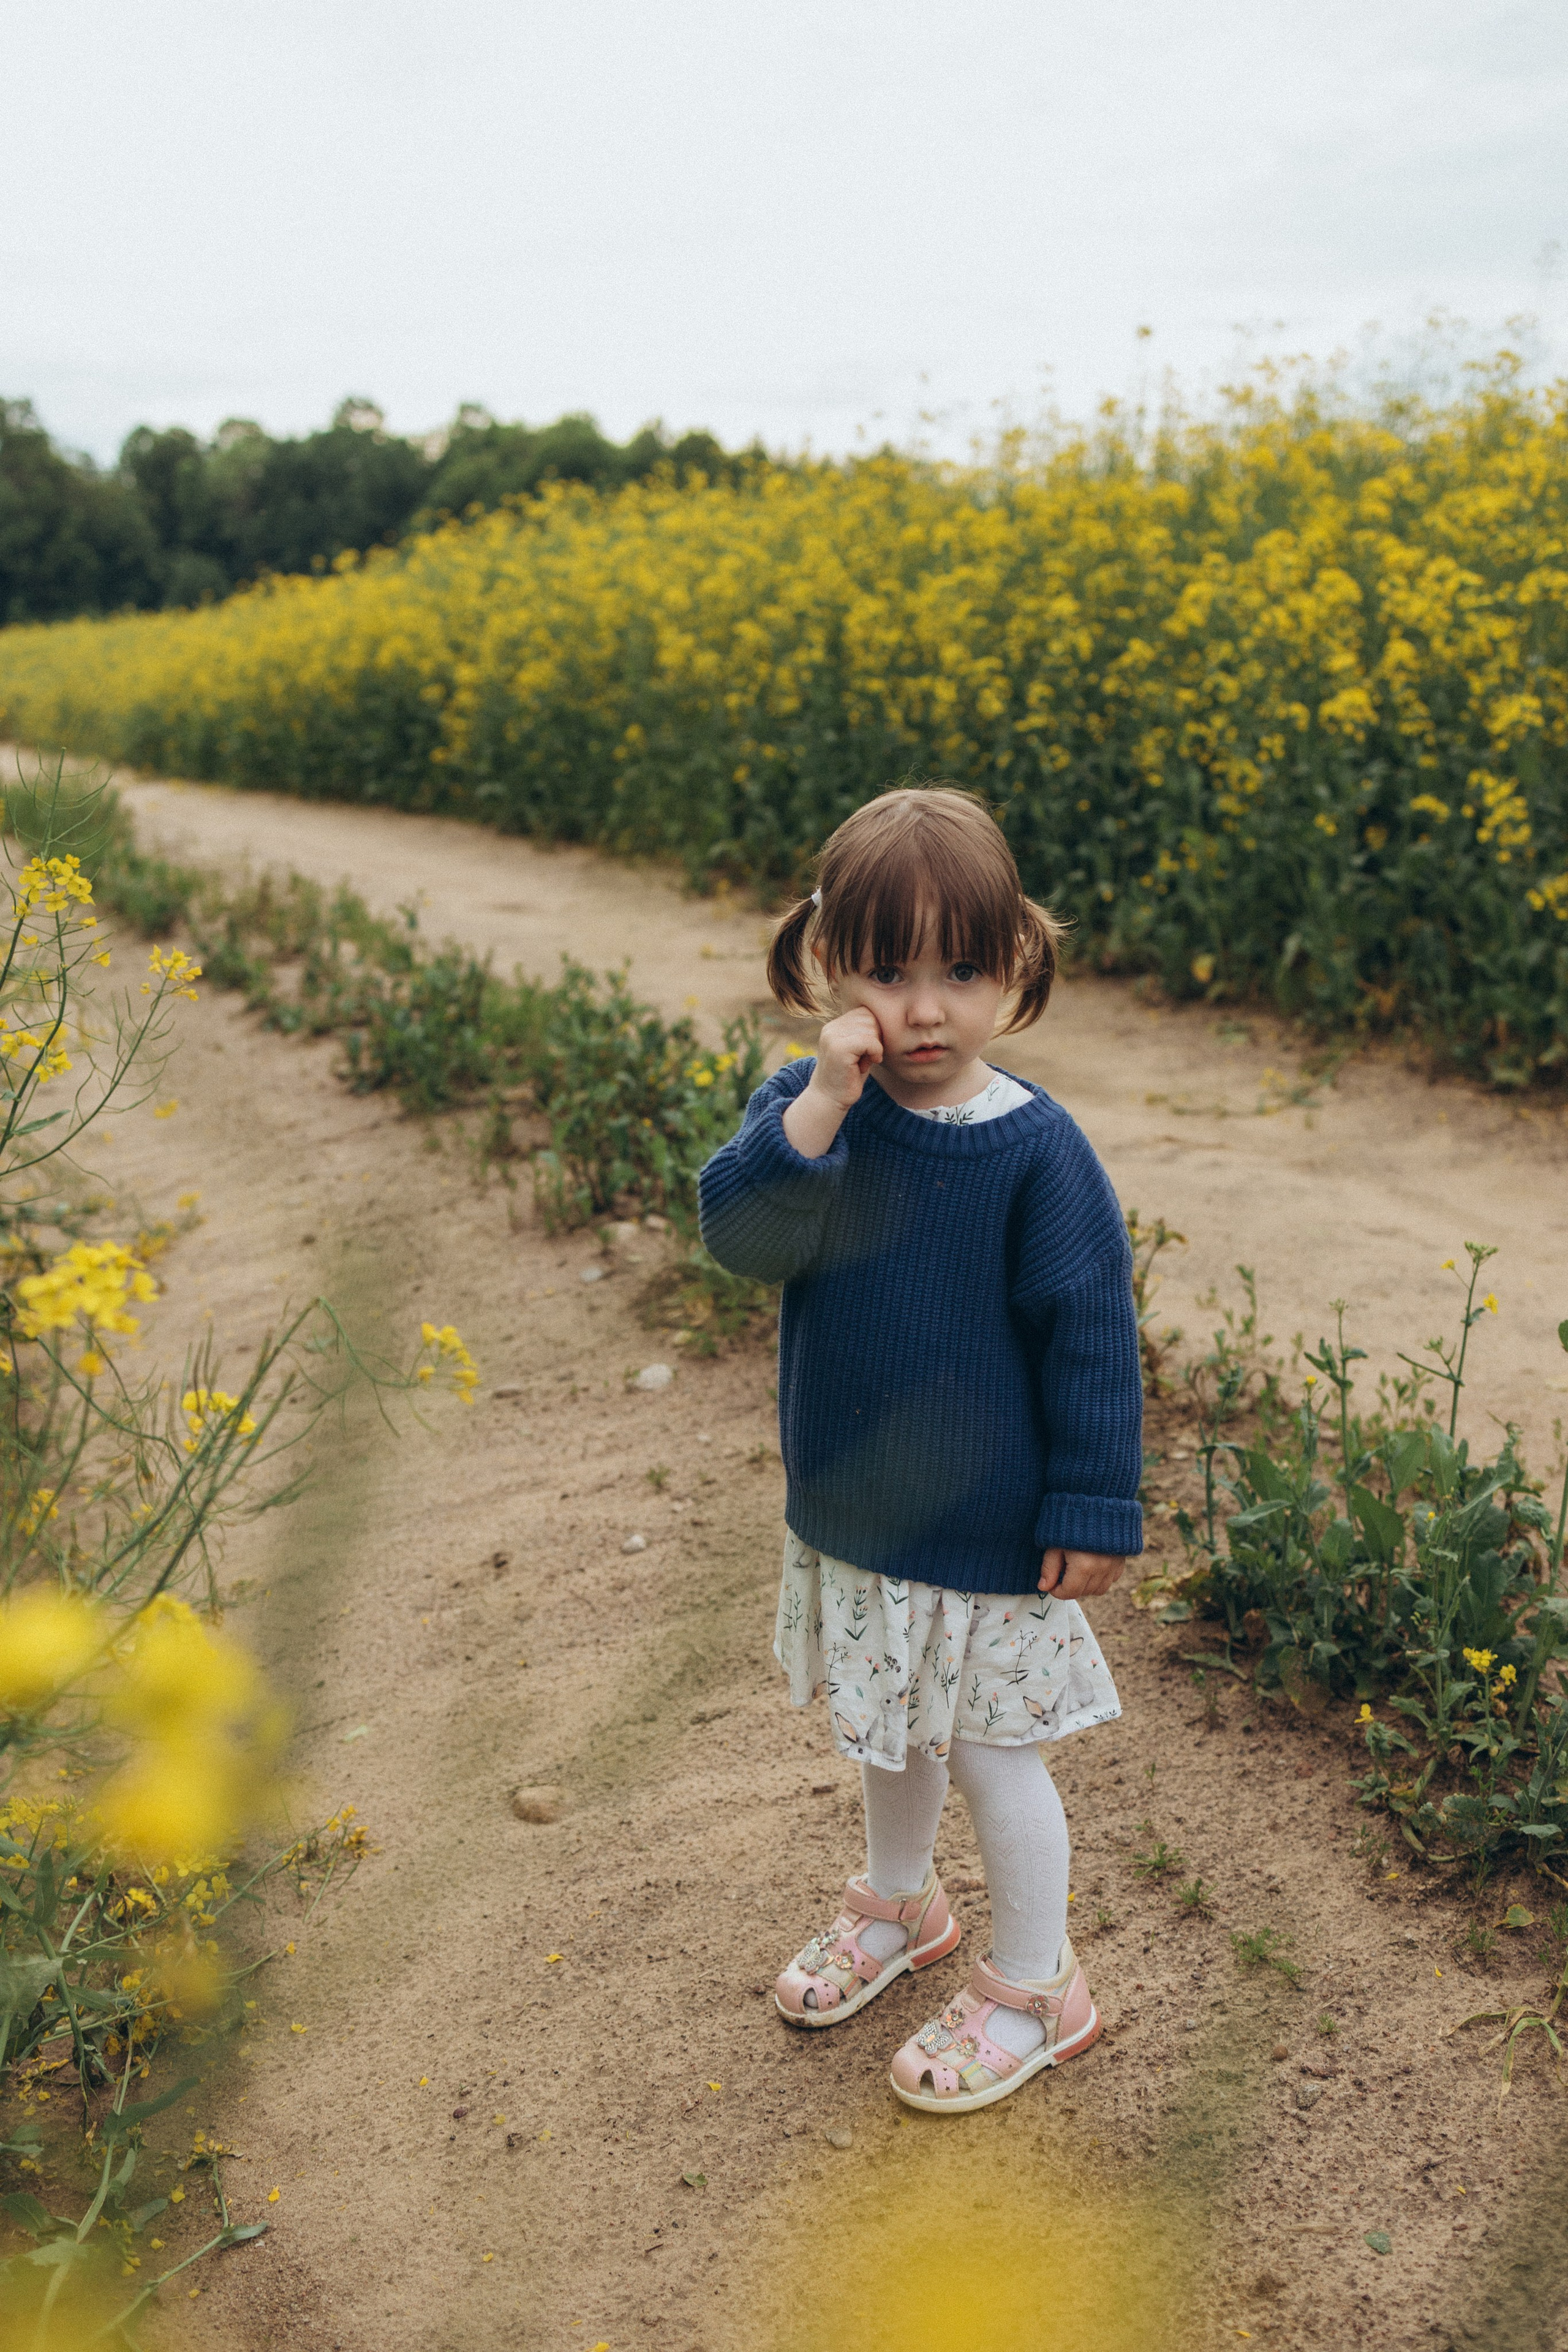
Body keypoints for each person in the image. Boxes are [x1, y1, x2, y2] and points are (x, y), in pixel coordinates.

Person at [698, 785, 1142, 2114]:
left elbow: (1087, 1335)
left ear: (1017, 964)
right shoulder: (813, 1113)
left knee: (993, 1752)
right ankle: (901, 1906)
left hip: (992, 1525)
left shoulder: (1033, 1150)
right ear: (828, 973)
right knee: (886, 1722)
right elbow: (742, 1241)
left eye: (960, 967)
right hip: (855, 1511)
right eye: (887, 972)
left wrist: (1091, 1500)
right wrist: (824, 1098)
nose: (926, 1007)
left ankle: (1035, 1984)